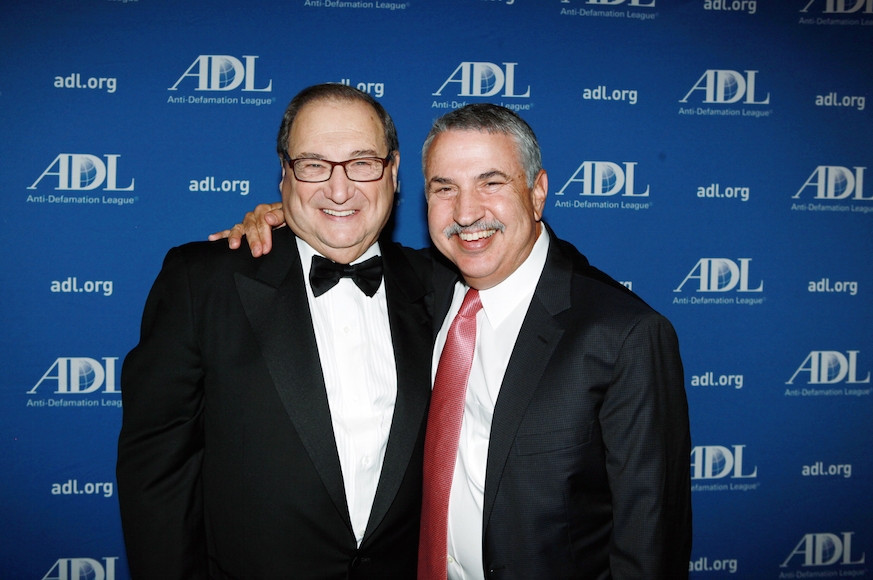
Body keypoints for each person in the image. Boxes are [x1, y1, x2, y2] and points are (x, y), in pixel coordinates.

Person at [225, 103, 692, 579]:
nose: (467, 213)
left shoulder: (622, 335)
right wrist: (288, 215)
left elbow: (650, 546)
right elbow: (336, 225)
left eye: (491, 183)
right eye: (444, 188)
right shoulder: (426, 287)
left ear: (537, 192)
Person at [116, 84, 433, 580]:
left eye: (362, 162)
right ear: (284, 175)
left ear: (393, 173)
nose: (339, 188)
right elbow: (155, 478)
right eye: (313, 164)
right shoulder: (203, 283)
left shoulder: (443, 286)